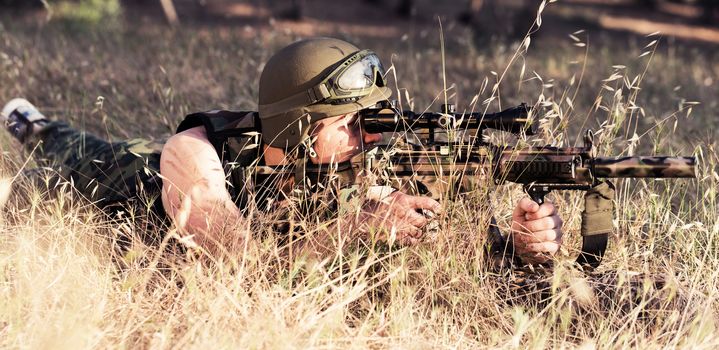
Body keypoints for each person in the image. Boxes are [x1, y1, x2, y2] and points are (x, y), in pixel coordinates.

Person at [0, 37, 562, 264]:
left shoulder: (352, 166)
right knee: (80, 160)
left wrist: (517, 244)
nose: (372, 138)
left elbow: (429, 240)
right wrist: (351, 230)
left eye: (373, 123)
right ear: (296, 127)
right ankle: (37, 128)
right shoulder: (191, 157)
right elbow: (240, 267)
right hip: (145, 182)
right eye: (351, 123)